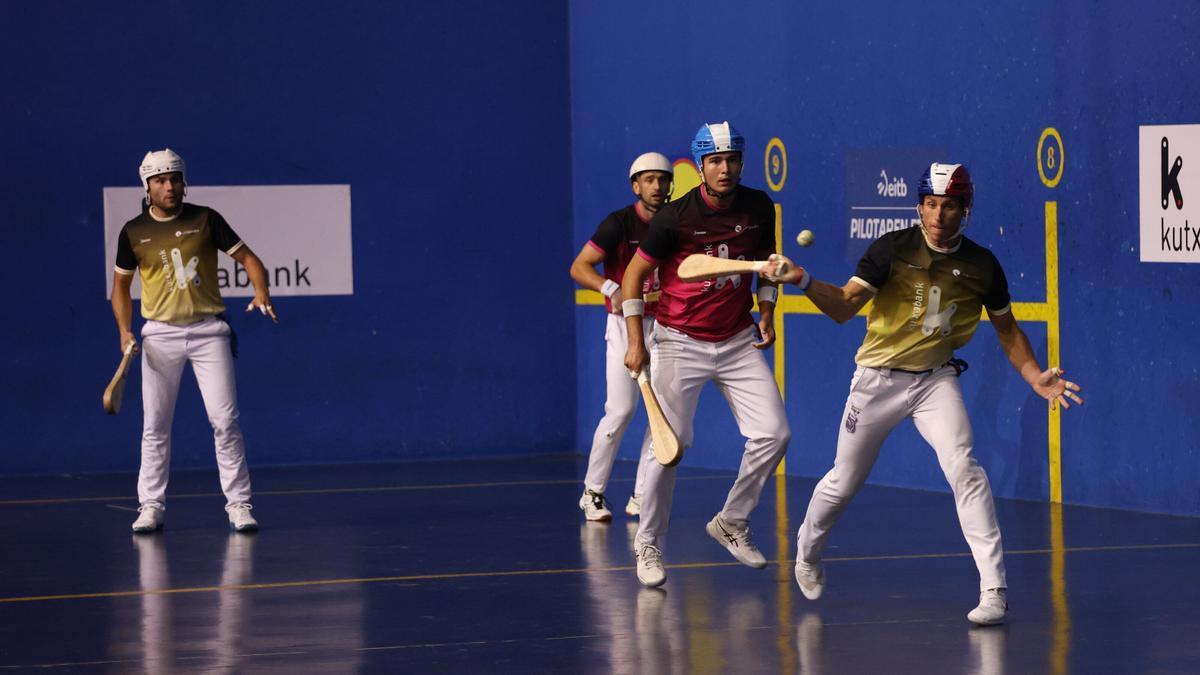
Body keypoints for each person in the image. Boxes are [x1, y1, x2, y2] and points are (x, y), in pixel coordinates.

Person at [768, 162, 1084, 625]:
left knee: (964, 467)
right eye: (931, 204)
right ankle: (808, 550)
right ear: (919, 207)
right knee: (844, 480)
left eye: (949, 205)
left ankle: (994, 588)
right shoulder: (891, 250)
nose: (939, 215)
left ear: (965, 210)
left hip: (935, 381)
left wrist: (1034, 376)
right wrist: (803, 281)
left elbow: (1007, 328)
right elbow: (843, 308)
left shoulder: (982, 266)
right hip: (876, 380)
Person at [621, 122, 790, 587]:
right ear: (700, 166)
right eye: (715, 161)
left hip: (736, 340)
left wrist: (768, 311)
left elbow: (766, 267)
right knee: (669, 448)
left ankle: (731, 522)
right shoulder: (674, 217)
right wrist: (637, 341)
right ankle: (649, 542)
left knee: (774, 434)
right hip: (679, 341)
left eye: (732, 159)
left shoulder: (758, 207)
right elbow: (634, 278)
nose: (725, 168)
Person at [110, 149, 278, 534]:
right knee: (155, 424)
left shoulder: (207, 219)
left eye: (175, 179)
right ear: (147, 186)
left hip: (209, 333)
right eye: (160, 180)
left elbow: (251, 260)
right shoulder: (133, 231)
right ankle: (150, 506)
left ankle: (239, 504)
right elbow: (120, 287)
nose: (169, 187)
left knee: (225, 421)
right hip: (159, 335)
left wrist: (261, 290)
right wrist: (124, 330)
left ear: (184, 182)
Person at [569, 153, 673, 521]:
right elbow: (579, 267)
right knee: (622, 410)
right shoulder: (618, 224)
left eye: (662, 180)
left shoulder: (675, 223)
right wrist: (609, 286)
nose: (657, 187)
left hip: (663, 327)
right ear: (636, 185)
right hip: (622, 325)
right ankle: (592, 493)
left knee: (661, 413)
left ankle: (642, 495)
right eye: (649, 180)